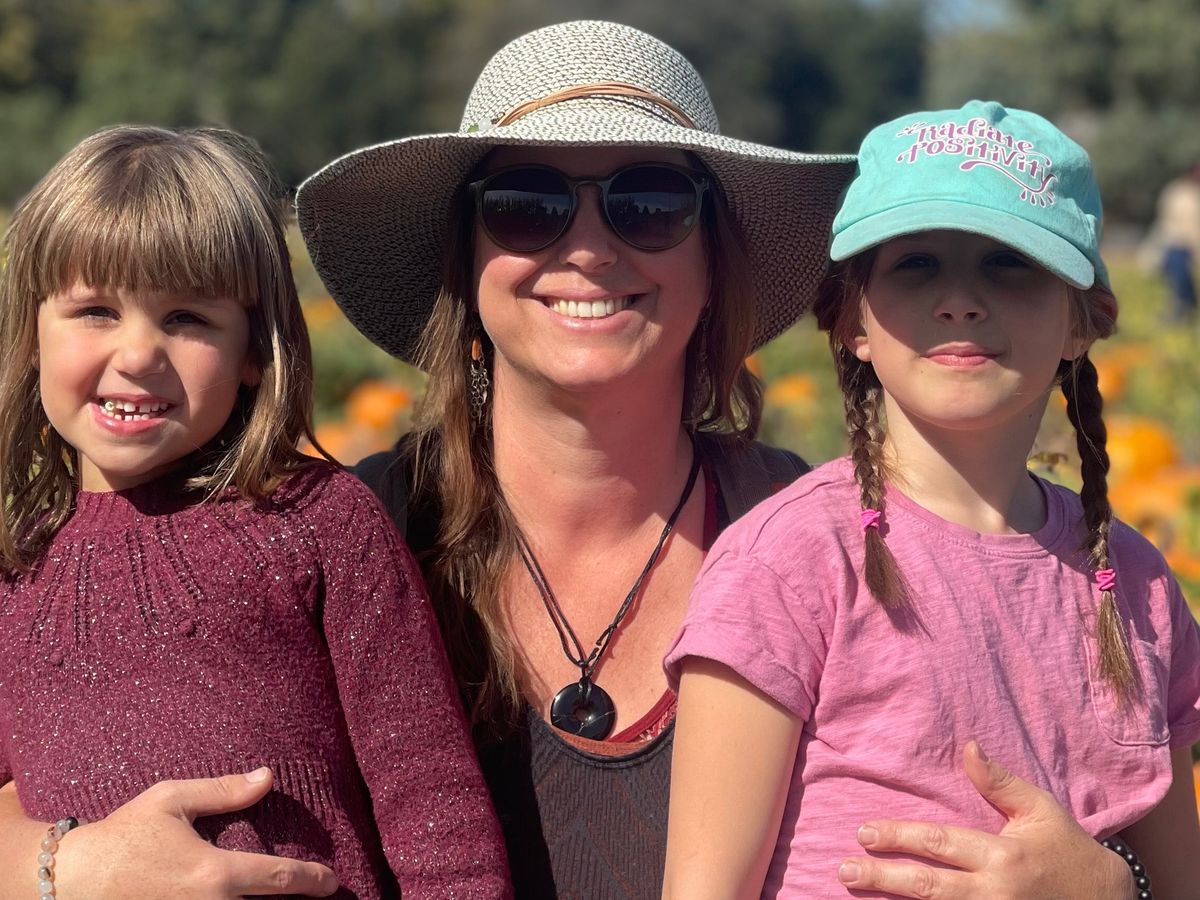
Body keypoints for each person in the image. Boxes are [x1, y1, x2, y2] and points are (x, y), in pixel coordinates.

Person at [0, 26, 1146, 900]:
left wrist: (1116, 888)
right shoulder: (341, 528)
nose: (587, 247)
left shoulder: (834, 543)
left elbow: (1054, 796)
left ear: (715, 258)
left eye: (648, 202)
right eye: (527, 203)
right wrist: (61, 866)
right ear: (465, 260)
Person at [663, 100, 1200, 898]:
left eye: (1009, 262)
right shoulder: (789, 565)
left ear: (1085, 321)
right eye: (916, 263)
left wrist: (1116, 888)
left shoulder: (1141, 585)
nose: (960, 300)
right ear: (852, 320)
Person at [0, 125, 510, 899]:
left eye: (186, 318)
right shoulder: (15, 570)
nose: (137, 354)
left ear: (253, 352)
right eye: (96, 310)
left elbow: (431, 798)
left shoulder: (319, 523)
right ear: (33, 333)